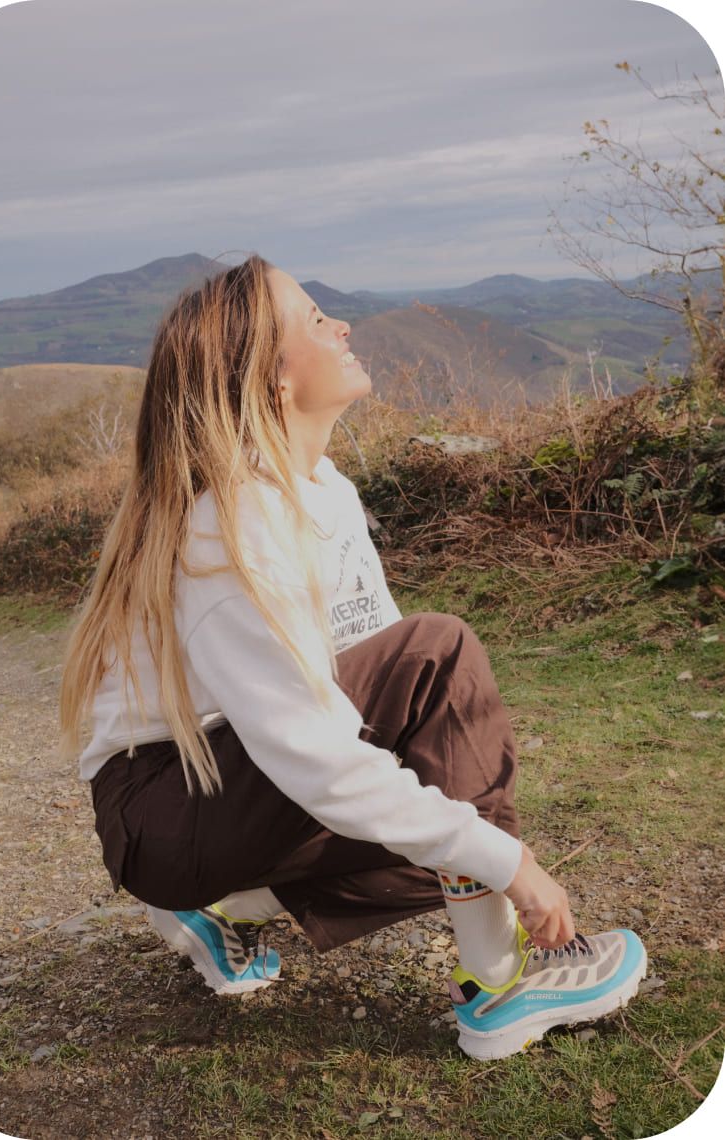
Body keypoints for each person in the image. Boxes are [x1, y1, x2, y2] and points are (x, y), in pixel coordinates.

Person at [58, 254, 647, 1060]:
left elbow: (384, 697)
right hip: (163, 805)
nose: (341, 326)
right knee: (441, 662)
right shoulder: (231, 526)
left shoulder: (326, 489)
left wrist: (471, 825)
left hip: (232, 786)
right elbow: (325, 748)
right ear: (273, 377)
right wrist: (507, 862)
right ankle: (501, 988)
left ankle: (228, 906)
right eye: (314, 318)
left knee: (450, 799)